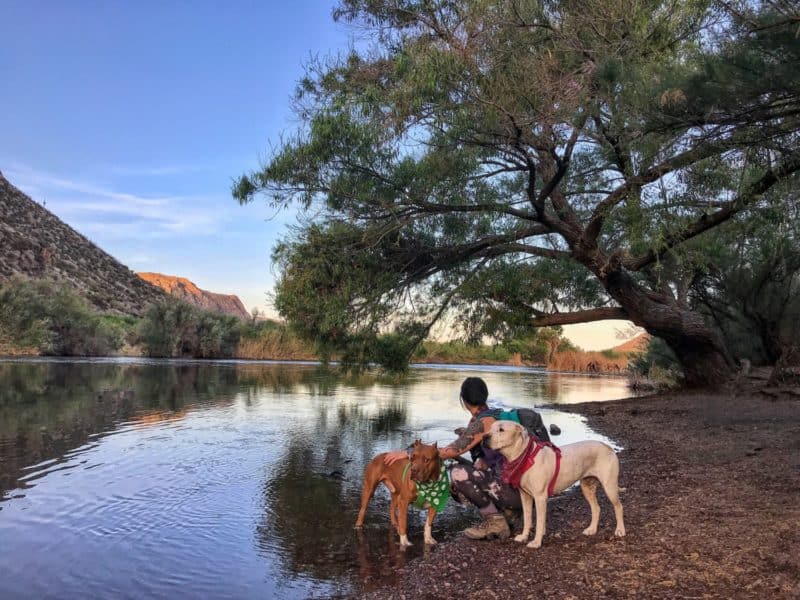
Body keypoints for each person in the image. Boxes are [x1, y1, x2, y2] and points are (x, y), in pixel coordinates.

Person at [383, 376, 521, 540]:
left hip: (513, 493)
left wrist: (409, 453)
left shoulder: (483, 422)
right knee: (473, 469)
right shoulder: (497, 416)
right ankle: (509, 512)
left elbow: (451, 451)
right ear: (484, 395)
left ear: (464, 400)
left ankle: (496, 521)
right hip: (522, 489)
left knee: (456, 474)